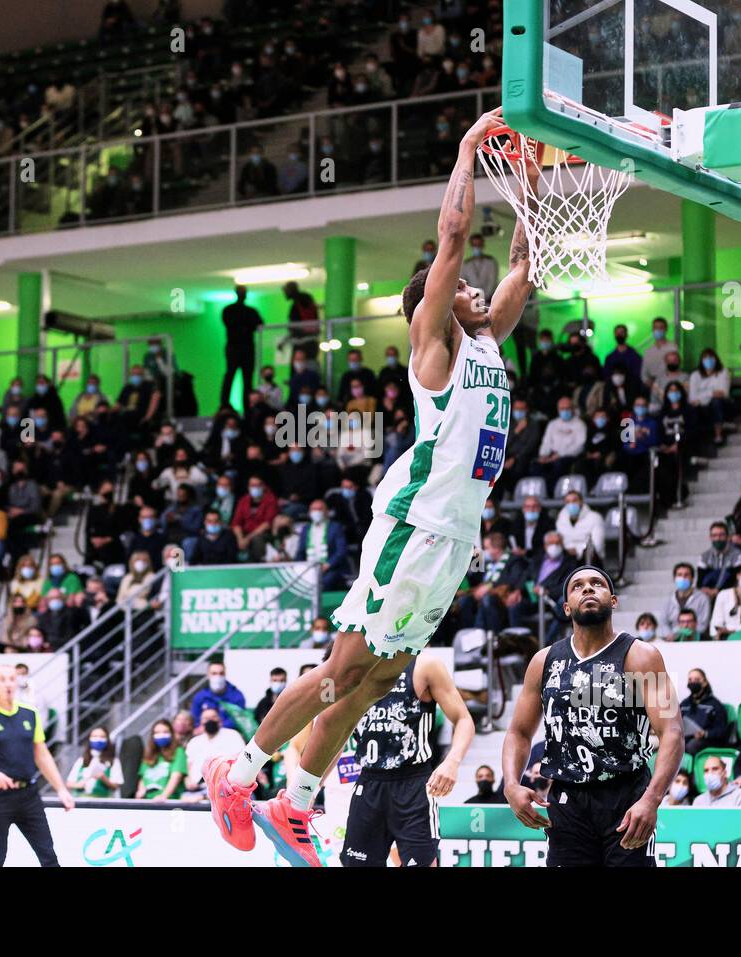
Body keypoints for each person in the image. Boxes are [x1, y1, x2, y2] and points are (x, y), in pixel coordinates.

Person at [203, 108, 537, 867]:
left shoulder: (486, 341)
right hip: (414, 526)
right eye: (464, 288)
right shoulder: (435, 345)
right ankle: (238, 775)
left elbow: (524, 264)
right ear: (436, 302)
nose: (481, 291)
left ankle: (294, 802)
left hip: (453, 542)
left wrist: (532, 181)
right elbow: (453, 241)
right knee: (342, 669)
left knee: (376, 680)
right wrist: (466, 151)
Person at [501, 566, 682, 865]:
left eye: (597, 583)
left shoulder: (641, 656)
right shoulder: (544, 661)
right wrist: (511, 784)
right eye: (578, 586)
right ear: (566, 607)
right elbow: (518, 732)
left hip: (627, 797)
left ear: (613, 600)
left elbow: (672, 732)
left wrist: (652, 799)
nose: (588, 589)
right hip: (567, 799)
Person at [341, 652, 474, 867]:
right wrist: (311, 786)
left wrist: (452, 761)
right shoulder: (354, 667)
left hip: (413, 784)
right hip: (368, 783)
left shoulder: (425, 665)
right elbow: (336, 734)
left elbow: (464, 719)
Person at [0, 664, 75, 866]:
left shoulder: (30, 713)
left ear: (17, 683)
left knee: (49, 857)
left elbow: (42, 755)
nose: (8, 684)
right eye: (2, 679)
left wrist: (61, 789)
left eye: (12, 679)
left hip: (29, 795)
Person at [220, 285, 263, 410]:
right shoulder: (230, 310)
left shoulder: (249, 311)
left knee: (246, 379)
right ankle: (225, 404)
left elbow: (259, 325)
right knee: (231, 375)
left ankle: (247, 406)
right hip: (235, 348)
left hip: (246, 349)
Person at [680, 668, 729, 755]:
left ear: (705, 682)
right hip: (685, 738)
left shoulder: (715, 705)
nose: (693, 682)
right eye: (690, 680)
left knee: (692, 745)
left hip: (706, 741)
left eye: (696, 679)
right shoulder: (684, 704)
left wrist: (705, 734)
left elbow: (722, 730)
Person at [137, 718, 188, 800]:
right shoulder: (149, 754)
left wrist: (164, 796)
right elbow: (143, 778)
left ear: (171, 734)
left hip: (169, 802)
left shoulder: (178, 752)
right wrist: (140, 792)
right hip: (148, 801)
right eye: (157, 732)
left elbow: (176, 776)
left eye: (165, 732)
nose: (161, 735)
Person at [66, 726, 123, 798]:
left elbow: (116, 786)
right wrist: (80, 784)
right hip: (80, 800)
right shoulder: (81, 760)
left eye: (102, 737)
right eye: (95, 736)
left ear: (107, 739)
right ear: (89, 739)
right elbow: (69, 783)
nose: (98, 739)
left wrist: (103, 778)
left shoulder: (113, 761)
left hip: (102, 803)